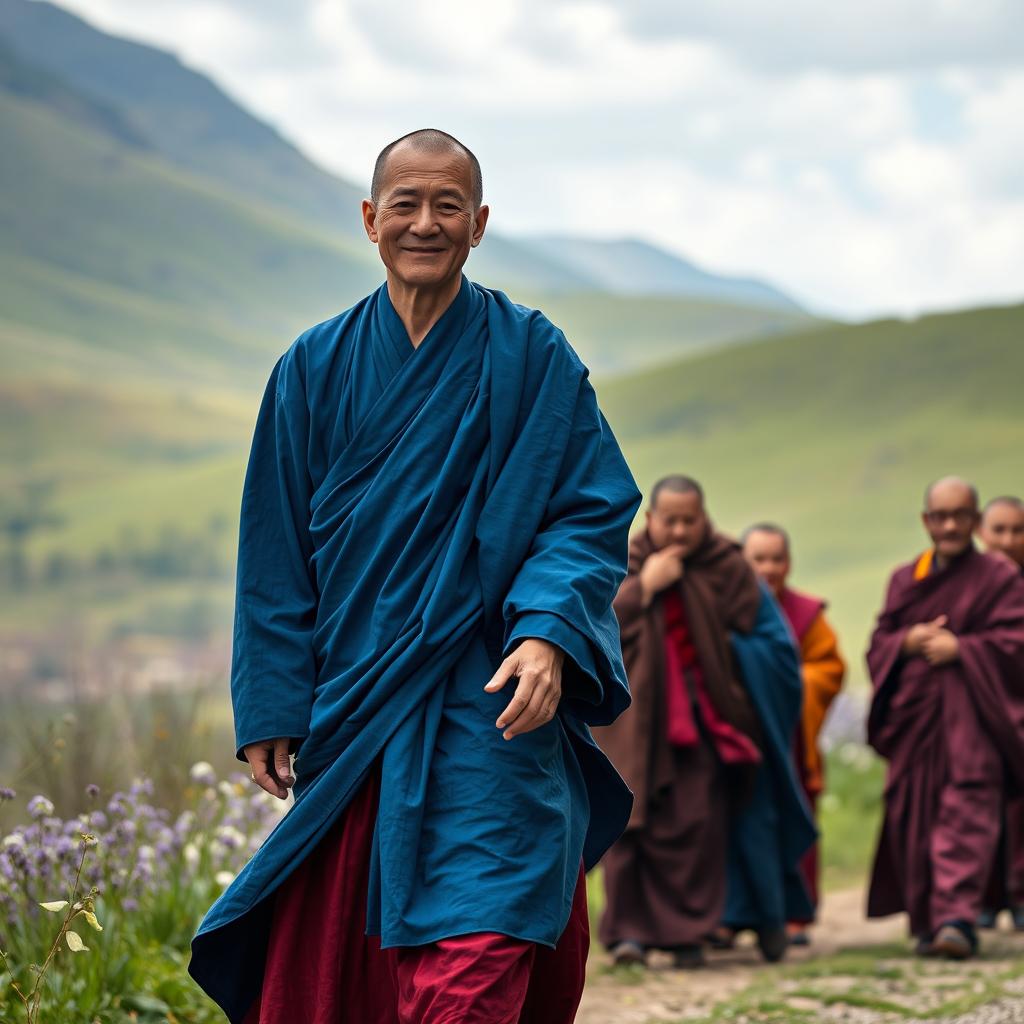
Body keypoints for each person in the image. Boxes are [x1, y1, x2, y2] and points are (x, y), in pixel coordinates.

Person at [188, 129, 642, 1024]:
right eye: (406, 203)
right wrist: (273, 705)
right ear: (370, 219)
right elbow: (274, 552)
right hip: (358, 712)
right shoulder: (312, 368)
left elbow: (587, 511)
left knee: (483, 941)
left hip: (491, 696)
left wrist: (550, 631)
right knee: (350, 966)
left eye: (448, 207)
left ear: (479, 225)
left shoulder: (531, 357)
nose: (425, 224)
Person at [594, 476, 814, 968]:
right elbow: (595, 622)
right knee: (631, 825)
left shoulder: (727, 564)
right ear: (650, 519)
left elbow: (765, 640)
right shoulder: (620, 561)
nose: (678, 530)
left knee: (698, 825)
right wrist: (644, 588)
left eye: (688, 520)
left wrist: (726, 668)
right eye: (668, 520)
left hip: (704, 719)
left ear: (704, 517)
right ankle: (628, 934)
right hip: (634, 724)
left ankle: (687, 935)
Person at [866, 477, 1024, 959]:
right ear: (926, 521)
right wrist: (907, 642)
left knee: (966, 816)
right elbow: (879, 643)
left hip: (973, 725)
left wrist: (965, 648)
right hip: (916, 728)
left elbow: (1017, 643)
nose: (951, 525)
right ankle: (928, 922)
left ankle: (956, 919)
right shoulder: (904, 579)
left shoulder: (1001, 577)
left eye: (961, 516)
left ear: (975, 521)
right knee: (915, 818)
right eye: (941, 516)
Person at [742, 523, 846, 946]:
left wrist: (787, 685)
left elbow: (830, 668)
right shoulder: (728, 605)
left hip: (793, 743)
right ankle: (743, 915)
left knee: (796, 820)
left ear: (789, 562)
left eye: (776, 559)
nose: (768, 568)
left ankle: (796, 917)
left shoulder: (806, 613)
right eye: (758, 559)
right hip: (746, 739)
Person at [976, 495, 1024, 929]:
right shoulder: (962, 587)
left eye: (1018, 530)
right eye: (998, 530)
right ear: (980, 533)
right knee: (980, 804)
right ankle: (984, 896)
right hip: (979, 713)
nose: (1007, 541)